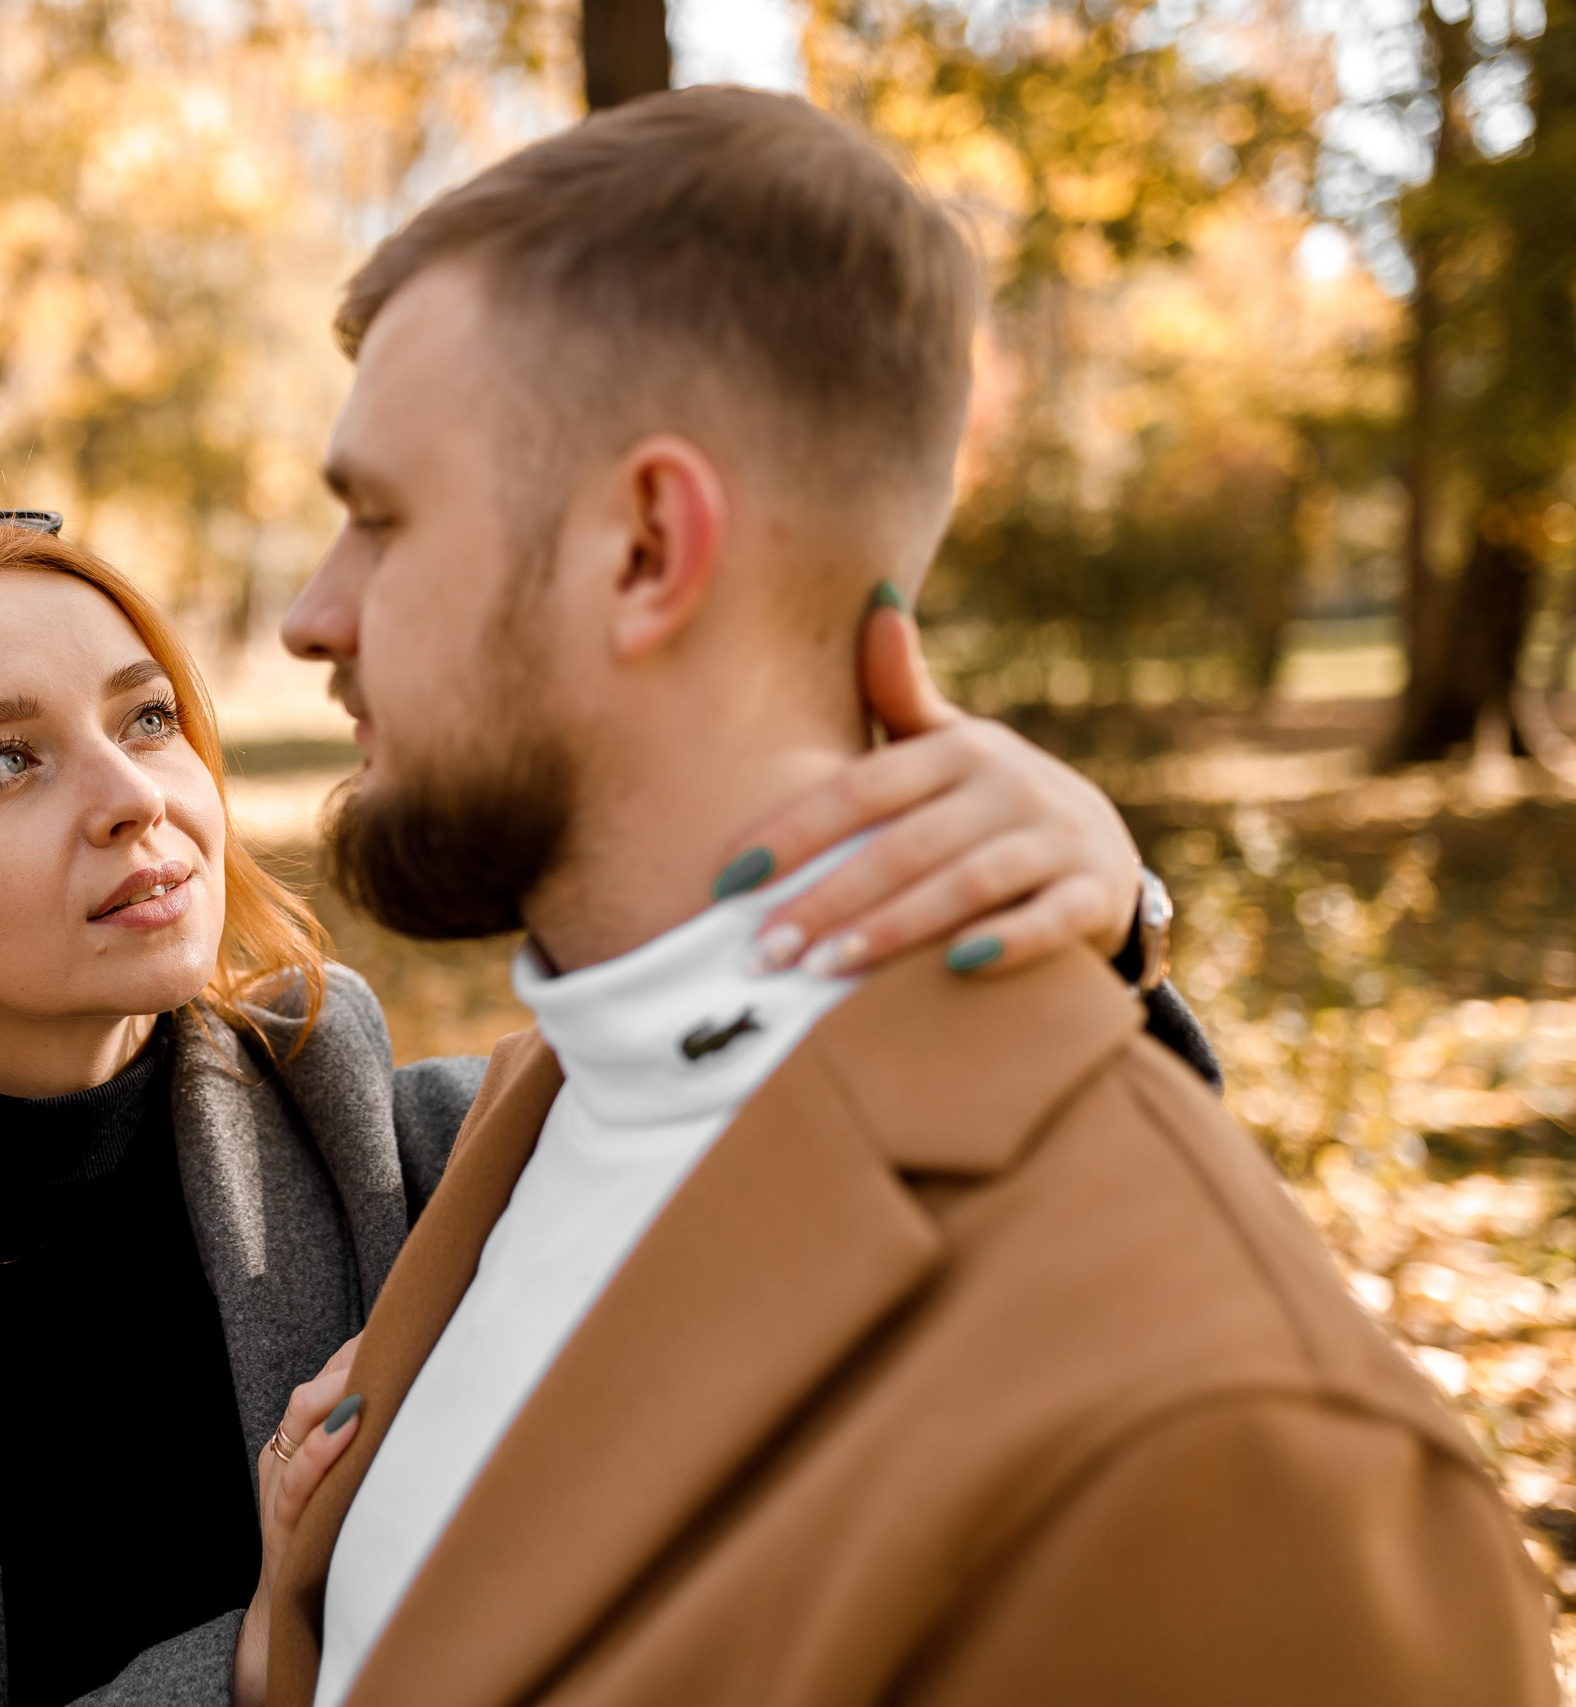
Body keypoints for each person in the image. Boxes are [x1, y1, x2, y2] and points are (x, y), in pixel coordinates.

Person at [257, 88, 1554, 1707]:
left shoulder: (1232, 1443)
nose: (315, 614)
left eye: (379, 517)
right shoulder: (551, 1095)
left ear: (649, 547)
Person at [0, 524, 1209, 1700]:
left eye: (147, 717)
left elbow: (950, 1207)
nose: (135, 802)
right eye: (3, 762)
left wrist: (1087, 918)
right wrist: (260, 1665)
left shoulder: (381, 1153)